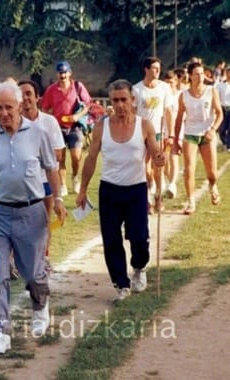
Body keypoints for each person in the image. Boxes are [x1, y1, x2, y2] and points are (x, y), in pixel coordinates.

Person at [0, 81, 66, 354]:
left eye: (8, 107)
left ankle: (40, 306)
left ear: (19, 105)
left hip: (31, 212)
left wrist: (59, 199)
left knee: (32, 272)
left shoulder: (38, 134)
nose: (3, 113)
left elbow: (52, 169)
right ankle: (0, 333)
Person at [76, 79, 166, 303]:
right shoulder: (101, 126)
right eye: (115, 100)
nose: (120, 105)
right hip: (109, 190)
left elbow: (155, 149)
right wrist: (83, 189)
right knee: (111, 239)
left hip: (135, 189)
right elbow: (91, 159)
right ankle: (121, 284)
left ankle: (138, 267)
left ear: (132, 100)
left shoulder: (144, 125)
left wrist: (158, 156)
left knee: (139, 237)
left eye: (124, 100)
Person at [19, 79, 65, 270]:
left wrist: (34, 155)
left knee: (44, 222)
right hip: (20, 181)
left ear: (37, 97)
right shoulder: (13, 122)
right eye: (21, 94)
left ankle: (44, 257)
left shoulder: (49, 122)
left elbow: (59, 153)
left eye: (29, 93)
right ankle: (15, 259)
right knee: (19, 222)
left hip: (44, 179)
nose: (25, 98)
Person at [173, 61, 224, 215]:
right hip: (190, 134)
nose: (200, 77)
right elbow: (179, 118)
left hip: (207, 134)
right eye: (197, 74)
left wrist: (213, 130)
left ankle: (212, 185)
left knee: (212, 173)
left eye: (202, 74)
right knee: (189, 170)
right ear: (190, 76)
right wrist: (176, 140)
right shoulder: (184, 95)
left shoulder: (211, 91)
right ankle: (190, 202)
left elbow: (219, 113)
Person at [41, 60, 92, 197]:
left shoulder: (77, 86)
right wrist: (49, 122)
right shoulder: (51, 89)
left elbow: (88, 104)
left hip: (75, 126)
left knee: (76, 156)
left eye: (65, 72)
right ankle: (62, 184)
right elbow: (45, 107)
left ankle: (75, 178)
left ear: (70, 73)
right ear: (57, 74)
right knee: (60, 159)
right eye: (60, 73)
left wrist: (77, 116)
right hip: (58, 127)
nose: (62, 76)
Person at [132, 57, 175, 214]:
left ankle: (158, 197)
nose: (157, 71)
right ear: (146, 69)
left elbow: (169, 112)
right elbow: (133, 112)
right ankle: (148, 195)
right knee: (144, 167)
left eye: (159, 68)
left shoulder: (164, 88)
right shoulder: (137, 89)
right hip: (141, 133)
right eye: (154, 68)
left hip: (158, 132)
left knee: (158, 167)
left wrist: (171, 134)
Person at [162, 70, 182, 199]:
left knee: (174, 156)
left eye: (171, 82)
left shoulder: (180, 95)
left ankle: (173, 183)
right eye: (167, 82)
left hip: (176, 131)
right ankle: (169, 182)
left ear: (176, 82)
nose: (169, 84)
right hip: (162, 130)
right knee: (164, 160)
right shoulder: (162, 95)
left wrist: (178, 134)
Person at [217, 67, 230, 151]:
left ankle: (229, 145)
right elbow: (217, 97)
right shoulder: (220, 85)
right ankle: (225, 142)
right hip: (223, 108)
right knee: (222, 129)